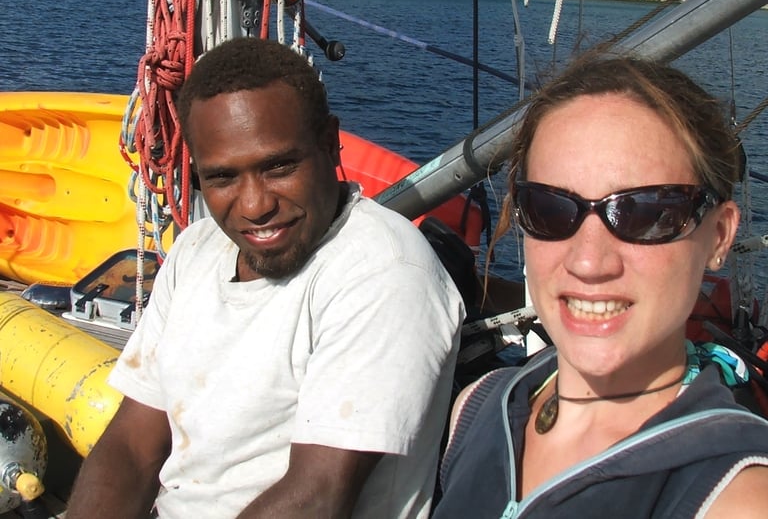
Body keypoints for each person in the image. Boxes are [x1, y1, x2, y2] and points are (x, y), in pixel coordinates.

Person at [67, 37, 465, 519]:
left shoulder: (383, 272)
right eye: (222, 178)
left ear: (329, 143)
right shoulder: (196, 251)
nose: (255, 206)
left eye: (278, 167)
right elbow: (132, 445)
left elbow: (318, 496)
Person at [433, 54, 768, 518]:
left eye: (646, 213)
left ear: (719, 235)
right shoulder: (479, 407)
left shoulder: (736, 500)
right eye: (550, 208)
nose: (589, 262)